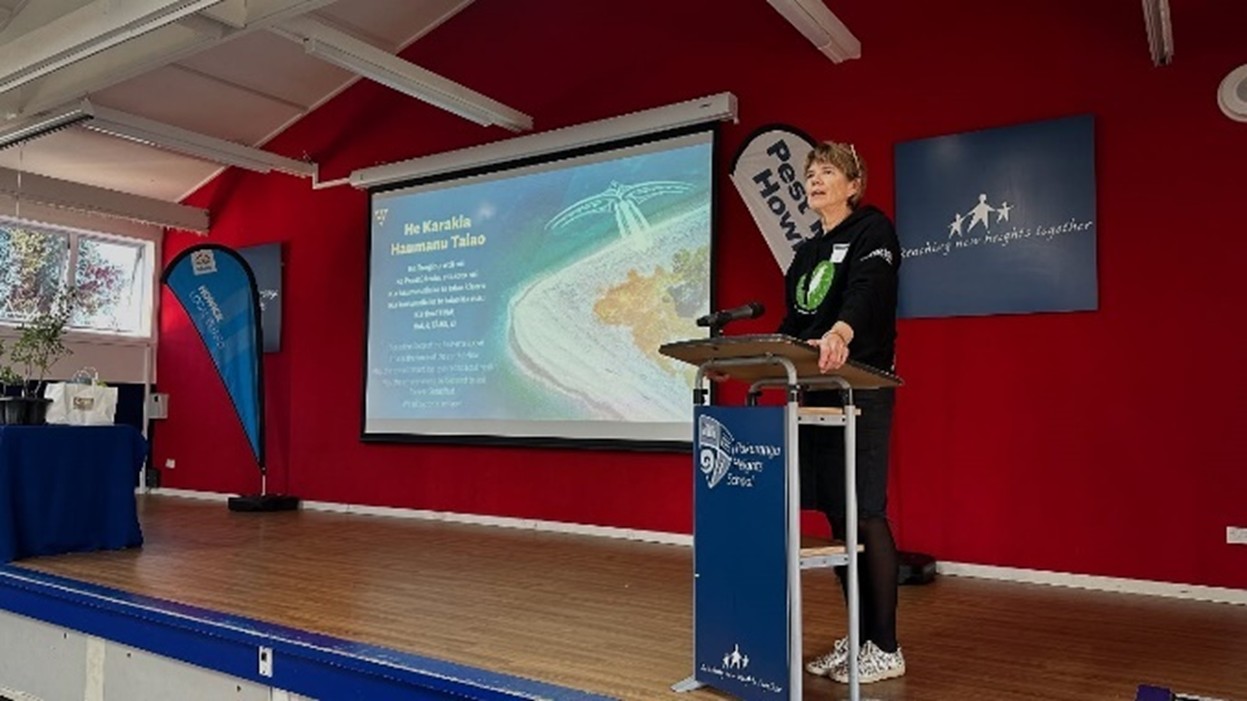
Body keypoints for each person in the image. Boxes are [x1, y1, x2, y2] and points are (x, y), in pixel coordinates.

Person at [777, 141, 905, 684]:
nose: (814, 179)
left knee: (866, 512)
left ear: (853, 185)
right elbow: (793, 322)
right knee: (838, 516)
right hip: (817, 391)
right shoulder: (806, 253)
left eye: (827, 171)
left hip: (861, 388)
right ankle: (860, 637)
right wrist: (752, 360)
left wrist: (840, 333)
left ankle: (887, 647)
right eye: (810, 172)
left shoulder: (874, 231)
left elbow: (867, 294)